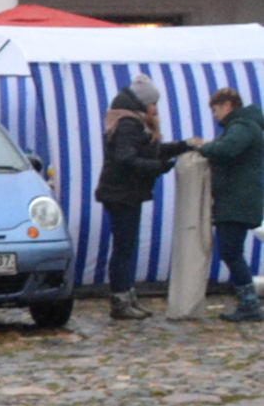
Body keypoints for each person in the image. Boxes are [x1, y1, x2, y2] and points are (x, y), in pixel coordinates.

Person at [93, 76, 187, 322]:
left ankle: (127, 296)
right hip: (121, 194)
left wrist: (182, 146)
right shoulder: (129, 124)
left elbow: (151, 150)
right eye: (153, 103)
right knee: (123, 249)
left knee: (127, 247)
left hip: (125, 193)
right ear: (142, 102)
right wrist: (158, 167)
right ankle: (120, 301)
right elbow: (126, 158)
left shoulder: (131, 122)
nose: (155, 108)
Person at [196, 85, 264, 323]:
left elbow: (226, 150)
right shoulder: (246, 125)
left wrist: (203, 147)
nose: (215, 116)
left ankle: (250, 304)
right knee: (231, 251)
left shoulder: (242, 126)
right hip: (238, 200)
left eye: (215, 110)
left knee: (231, 251)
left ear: (227, 105)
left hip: (237, 202)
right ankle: (248, 302)